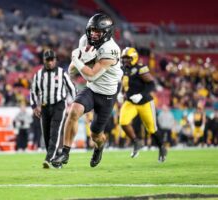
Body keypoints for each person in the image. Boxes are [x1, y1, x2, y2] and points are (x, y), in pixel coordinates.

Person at [52, 13, 123, 168]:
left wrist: (77, 61)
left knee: (96, 134)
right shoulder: (85, 40)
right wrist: (75, 65)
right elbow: (73, 71)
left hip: (107, 94)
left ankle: (99, 147)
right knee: (73, 111)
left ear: (107, 32)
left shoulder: (111, 50)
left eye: (97, 31)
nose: (93, 34)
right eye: (91, 30)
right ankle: (64, 153)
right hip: (92, 89)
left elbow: (91, 75)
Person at [117, 47, 167, 162]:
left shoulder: (141, 69)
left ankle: (162, 147)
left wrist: (141, 94)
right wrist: (121, 93)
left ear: (134, 58)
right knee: (123, 122)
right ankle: (136, 142)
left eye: (127, 58)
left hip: (145, 102)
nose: (125, 61)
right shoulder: (124, 69)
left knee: (152, 129)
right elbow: (124, 82)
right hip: (130, 102)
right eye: (124, 59)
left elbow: (151, 84)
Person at [30, 49, 76, 169]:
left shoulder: (62, 73)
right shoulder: (38, 75)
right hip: (45, 107)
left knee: (54, 132)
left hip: (59, 105)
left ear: (55, 60)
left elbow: (71, 88)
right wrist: (34, 106)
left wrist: (75, 103)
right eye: (47, 60)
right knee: (46, 135)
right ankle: (57, 161)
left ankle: (48, 158)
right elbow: (33, 91)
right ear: (44, 61)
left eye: (52, 60)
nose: (50, 63)